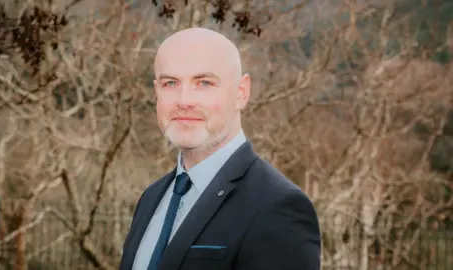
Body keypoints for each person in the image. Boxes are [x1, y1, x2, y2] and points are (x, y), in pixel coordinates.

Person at [119, 27, 321, 270]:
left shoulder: (277, 206)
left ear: (241, 92)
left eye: (204, 83)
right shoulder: (151, 198)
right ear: (156, 91)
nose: (184, 100)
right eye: (170, 83)